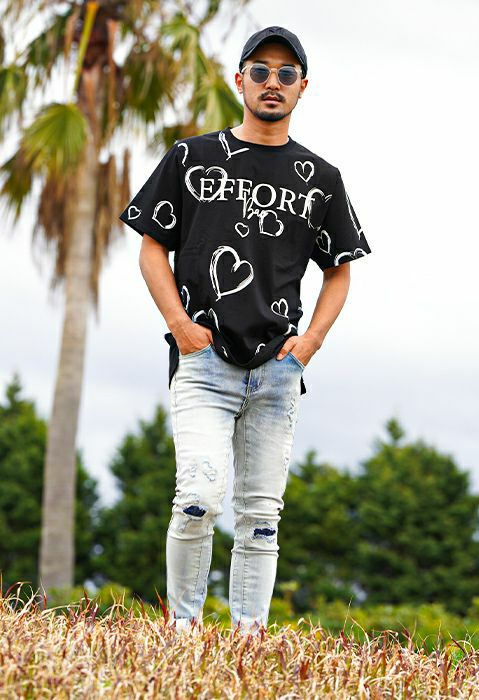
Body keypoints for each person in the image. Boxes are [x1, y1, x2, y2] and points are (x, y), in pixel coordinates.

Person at [119, 25, 372, 637]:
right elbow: (152, 246)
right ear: (240, 81)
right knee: (198, 498)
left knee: (260, 517)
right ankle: (182, 634)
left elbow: (340, 270)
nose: (272, 83)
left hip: (278, 369)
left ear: (303, 87)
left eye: (286, 74)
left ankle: (248, 641)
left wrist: (308, 345)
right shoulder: (192, 158)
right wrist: (179, 325)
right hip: (203, 358)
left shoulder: (321, 178)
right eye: (260, 71)